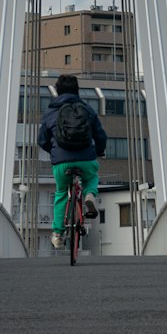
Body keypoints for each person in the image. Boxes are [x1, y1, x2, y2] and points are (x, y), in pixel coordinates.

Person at [38, 73, 107, 250]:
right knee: (91, 178)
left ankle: (58, 234)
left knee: (61, 193)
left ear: (57, 92)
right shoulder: (87, 109)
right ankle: (90, 194)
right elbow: (100, 135)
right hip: (86, 159)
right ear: (77, 91)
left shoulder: (50, 112)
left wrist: (55, 153)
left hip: (61, 163)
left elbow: (42, 140)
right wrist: (99, 151)